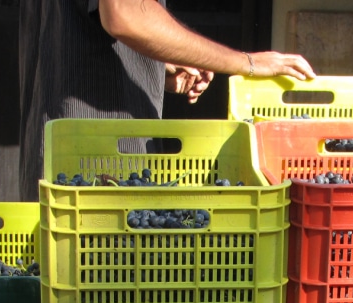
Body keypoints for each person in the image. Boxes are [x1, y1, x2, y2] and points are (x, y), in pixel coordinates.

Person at [19, 0, 316, 201]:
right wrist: (245, 62)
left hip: (64, 160)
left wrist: (150, 70)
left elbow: (76, 35)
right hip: (97, 175)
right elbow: (125, 13)